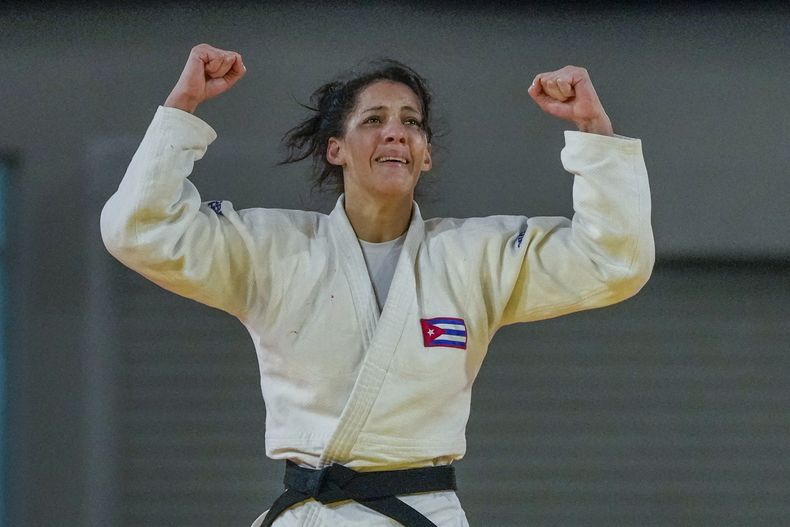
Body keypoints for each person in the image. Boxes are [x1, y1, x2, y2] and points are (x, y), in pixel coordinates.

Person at [100, 43, 654, 526]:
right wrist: (182, 110)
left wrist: (593, 133)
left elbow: (615, 261)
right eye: (373, 119)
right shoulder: (273, 250)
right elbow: (138, 230)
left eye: (411, 122)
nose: (396, 130)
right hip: (309, 515)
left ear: (426, 154)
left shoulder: (474, 258)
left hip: (420, 512)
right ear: (335, 149)